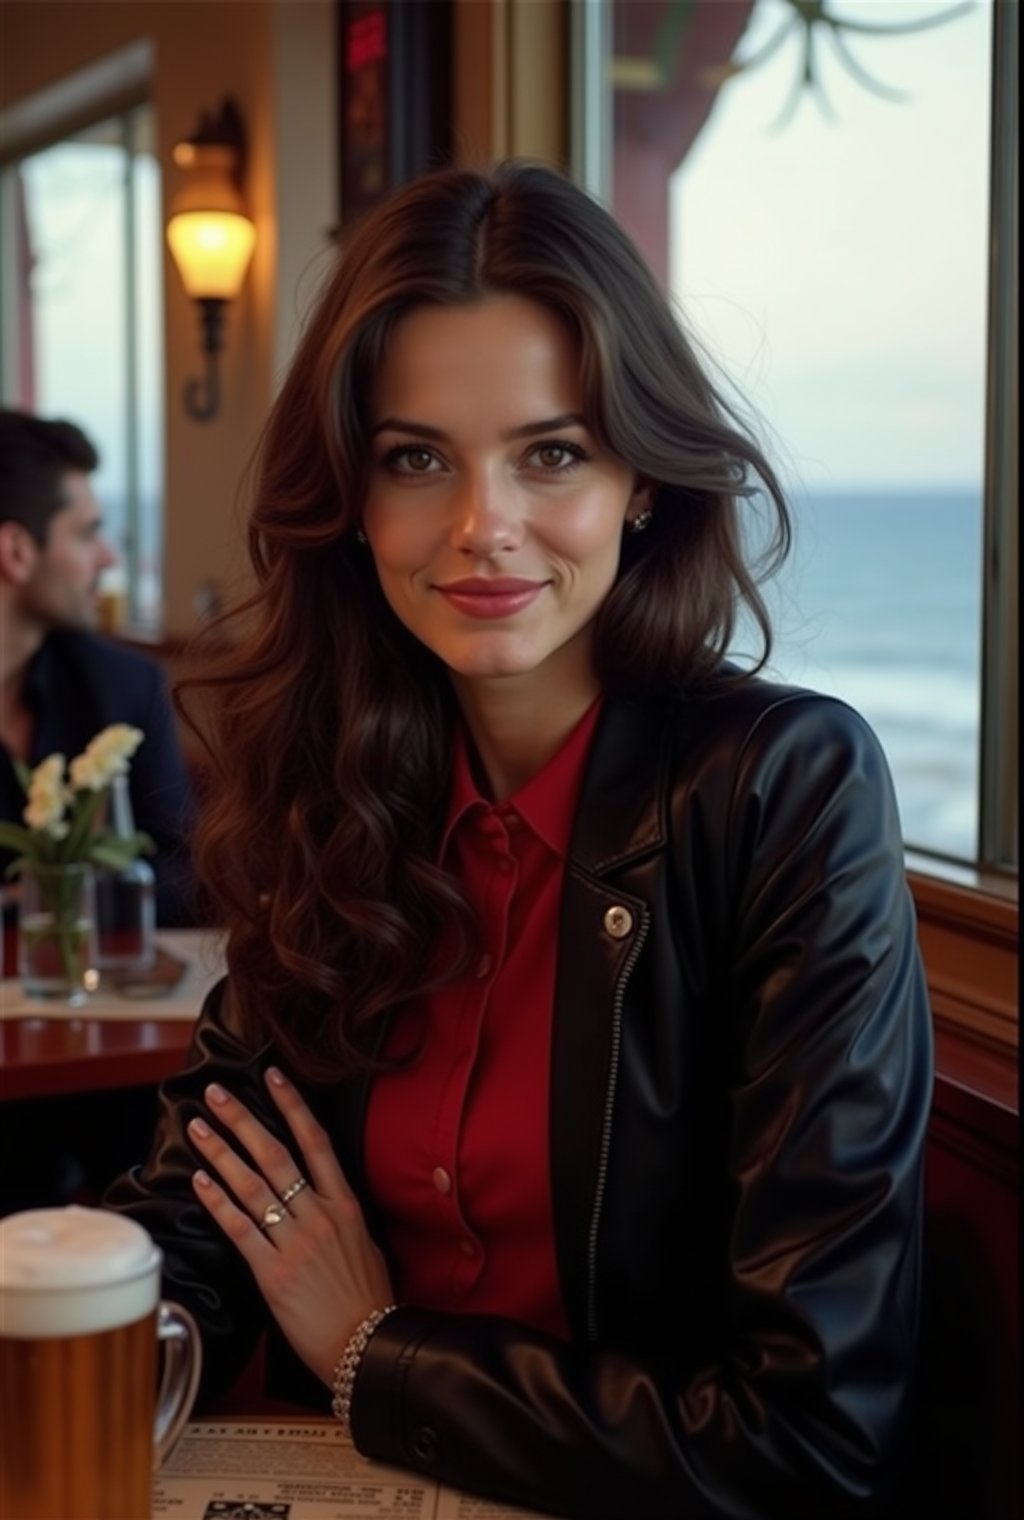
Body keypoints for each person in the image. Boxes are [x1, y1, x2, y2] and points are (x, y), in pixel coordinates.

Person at [107, 161, 933, 1519]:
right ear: (357, 503)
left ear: (643, 484)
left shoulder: (784, 787)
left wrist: (380, 1357)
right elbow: (205, 1206)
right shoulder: (339, 783)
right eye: (417, 458)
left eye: (551, 452)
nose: (483, 526)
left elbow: (810, 1434)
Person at [0, 409, 195, 926]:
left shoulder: (124, 687)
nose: (108, 559)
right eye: (87, 535)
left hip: (92, 995)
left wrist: (61, 898)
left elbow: (186, 875)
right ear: (16, 551)